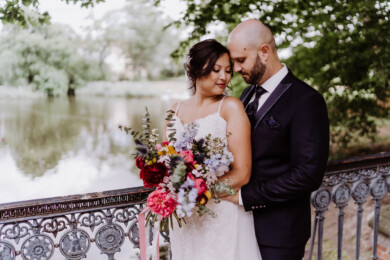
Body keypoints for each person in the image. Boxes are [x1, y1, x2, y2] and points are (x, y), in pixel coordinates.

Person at [223, 19, 330, 260]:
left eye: (241, 60)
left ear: (264, 52)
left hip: (280, 235)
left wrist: (245, 197)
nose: (236, 69)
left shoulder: (306, 101)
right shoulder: (246, 94)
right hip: (241, 227)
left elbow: (308, 174)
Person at [164, 39, 262, 260]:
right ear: (197, 70)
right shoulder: (174, 110)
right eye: (216, 70)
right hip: (186, 220)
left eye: (228, 71)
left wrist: (199, 193)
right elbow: (166, 165)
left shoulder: (230, 107)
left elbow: (242, 173)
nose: (224, 77)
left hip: (221, 214)